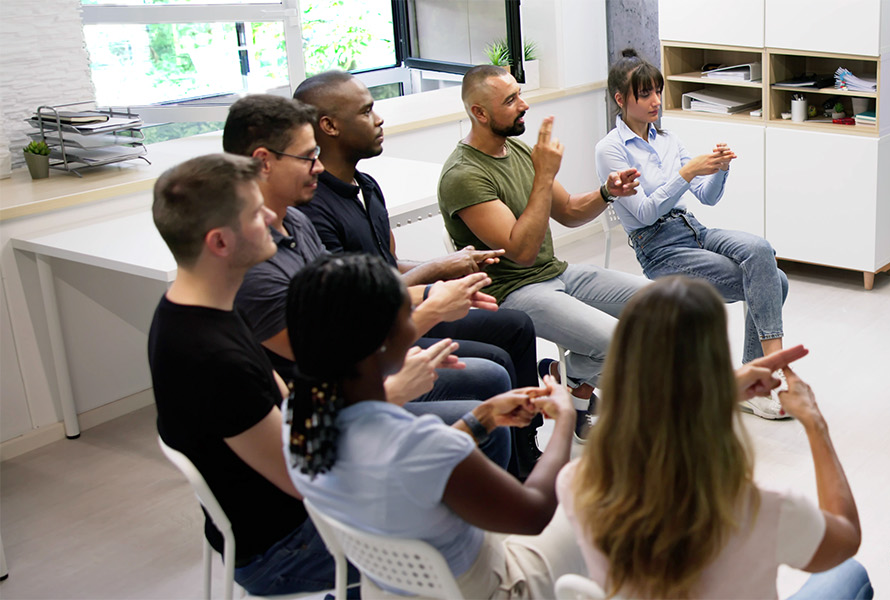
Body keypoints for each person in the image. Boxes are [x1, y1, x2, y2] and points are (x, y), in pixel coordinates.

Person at [147, 154, 504, 596]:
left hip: (298, 496)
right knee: (455, 505)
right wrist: (387, 395)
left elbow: (293, 408)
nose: (272, 219)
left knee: (470, 429)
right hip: (285, 545)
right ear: (219, 242)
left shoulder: (202, 306)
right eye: (256, 214)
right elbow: (302, 472)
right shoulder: (212, 358)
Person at [284, 252, 586, 599]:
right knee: (588, 484)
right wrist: (563, 416)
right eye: (405, 320)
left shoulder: (300, 414)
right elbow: (533, 512)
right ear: (381, 342)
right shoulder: (415, 443)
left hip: (395, 587)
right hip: (489, 587)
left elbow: (419, 469)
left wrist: (482, 418)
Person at [293, 71, 548, 474]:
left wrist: (453, 268)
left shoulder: (366, 185)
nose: (379, 120)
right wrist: (435, 273)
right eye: (367, 111)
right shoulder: (315, 210)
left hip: (397, 311)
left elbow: (387, 264)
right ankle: (511, 468)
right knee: (494, 364)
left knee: (514, 327)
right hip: (377, 332)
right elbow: (355, 298)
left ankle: (525, 445)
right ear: (329, 126)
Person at [556, 277, 871, 599]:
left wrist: (718, 392)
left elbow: (658, 415)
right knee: (850, 574)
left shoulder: (576, 484)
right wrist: (815, 423)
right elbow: (846, 538)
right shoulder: (761, 510)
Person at [223, 94, 515, 411]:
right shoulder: (252, 268)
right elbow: (332, 360)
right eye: (307, 157)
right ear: (264, 161)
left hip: (356, 371)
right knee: (486, 387)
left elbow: (349, 298)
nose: (318, 167)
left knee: (492, 374)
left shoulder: (294, 220)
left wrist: (433, 292)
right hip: (330, 410)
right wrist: (431, 310)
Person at [437, 64, 647, 440]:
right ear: (479, 113)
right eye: (511, 100)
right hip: (513, 292)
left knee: (659, 303)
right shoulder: (463, 176)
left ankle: (564, 378)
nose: (524, 105)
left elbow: (567, 211)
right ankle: (577, 387)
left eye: (520, 93)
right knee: (620, 341)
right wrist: (545, 175)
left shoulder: (516, 150)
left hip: (557, 273)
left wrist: (606, 191)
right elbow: (521, 252)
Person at [594, 48, 792, 420]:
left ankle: (758, 374)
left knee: (762, 252)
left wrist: (718, 168)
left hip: (693, 228)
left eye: (657, 91)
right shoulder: (610, 150)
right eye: (645, 94)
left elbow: (707, 197)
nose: (656, 101)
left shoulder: (668, 138)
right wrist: (686, 174)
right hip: (658, 247)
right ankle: (760, 377)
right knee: (773, 284)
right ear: (621, 99)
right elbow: (646, 210)